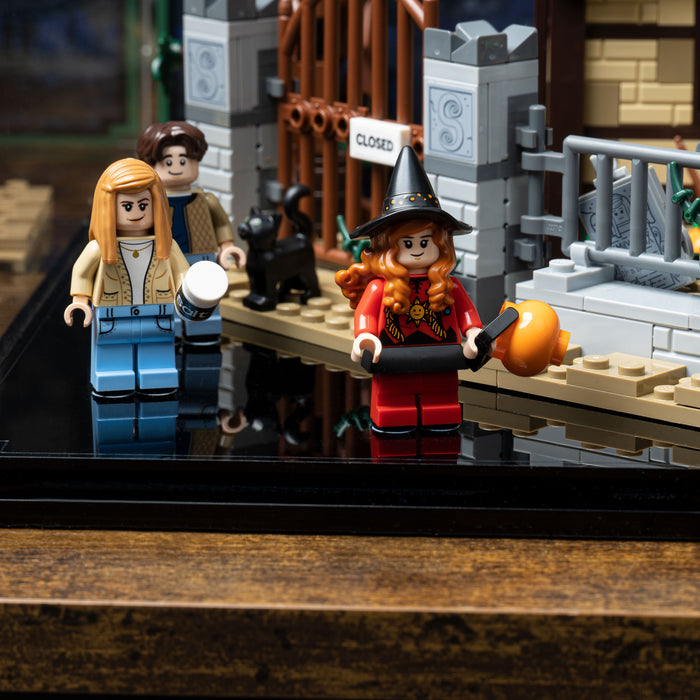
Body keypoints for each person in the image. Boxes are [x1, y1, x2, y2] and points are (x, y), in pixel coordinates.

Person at [335, 146, 483, 436]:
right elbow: (366, 315)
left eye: (425, 242)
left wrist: (474, 333)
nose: (417, 250)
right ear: (389, 246)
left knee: (442, 400)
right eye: (407, 243)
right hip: (392, 358)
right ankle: (394, 415)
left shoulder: (448, 285)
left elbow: (466, 313)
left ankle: (441, 413)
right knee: (393, 403)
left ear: (440, 244)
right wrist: (365, 336)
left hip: (443, 358)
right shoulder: (380, 288)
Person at [64, 158, 189, 395]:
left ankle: (158, 376)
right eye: (127, 207)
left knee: (158, 350)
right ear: (107, 208)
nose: (136, 213)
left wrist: (189, 294)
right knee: (113, 352)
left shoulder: (167, 246)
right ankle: (113, 379)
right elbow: (82, 272)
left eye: (143, 205)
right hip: (113, 314)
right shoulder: (99, 248)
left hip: (158, 312)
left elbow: (182, 271)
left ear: (157, 205)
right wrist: (80, 301)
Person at [136, 120, 246, 341]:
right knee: (166, 294)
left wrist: (227, 247)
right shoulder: (150, 203)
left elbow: (221, 224)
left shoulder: (205, 200)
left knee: (206, 293)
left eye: (183, 160)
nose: (176, 167)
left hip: (201, 256)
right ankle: (171, 331)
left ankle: (203, 331)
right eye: (168, 161)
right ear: (152, 164)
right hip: (164, 257)